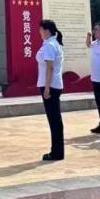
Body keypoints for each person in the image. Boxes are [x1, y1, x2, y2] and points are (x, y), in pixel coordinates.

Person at [37, 20, 66, 161]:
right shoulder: (54, 43)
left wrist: (47, 87)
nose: (40, 32)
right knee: (55, 120)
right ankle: (57, 151)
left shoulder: (50, 45)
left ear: (47, 31)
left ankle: (57, 152)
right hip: (54, 84)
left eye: (41, 30)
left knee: (54, 121)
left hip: (50, 85)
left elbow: (50, 67)